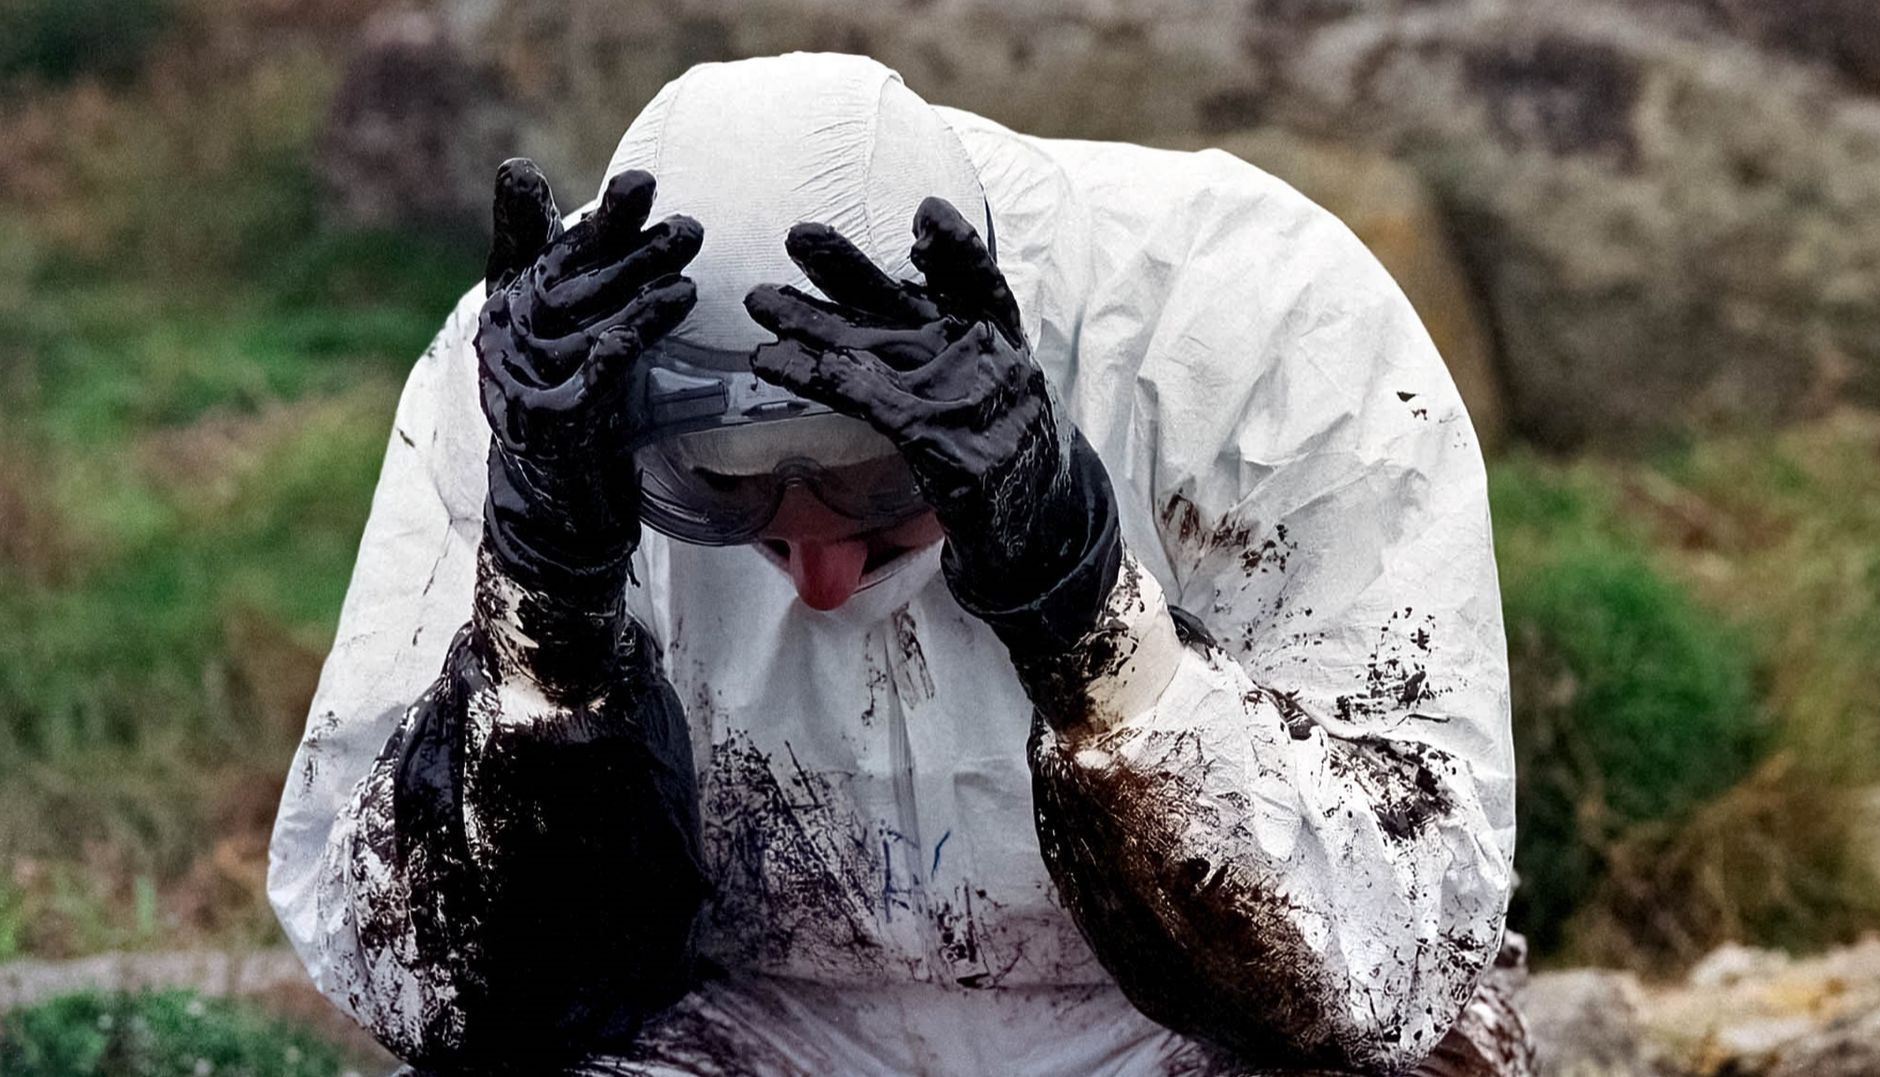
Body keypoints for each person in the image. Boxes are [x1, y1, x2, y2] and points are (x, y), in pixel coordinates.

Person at [268, 52, 1532, 1076]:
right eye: (725, 497)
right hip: (736, 1021)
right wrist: (545, 622)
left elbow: (1390, 966)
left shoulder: (1254, 318)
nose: (819, 573)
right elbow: (420, 990)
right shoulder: (533, 385)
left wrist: (1085, 615)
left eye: (879, 486)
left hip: (1197, 1030)